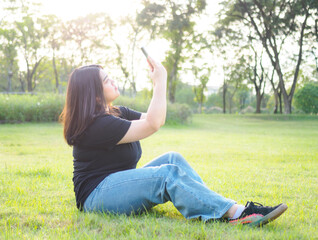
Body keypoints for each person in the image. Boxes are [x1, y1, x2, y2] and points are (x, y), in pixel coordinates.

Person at [60, 56, 287, 227]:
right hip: (95, 197)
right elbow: (153, 124)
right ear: (95, 94)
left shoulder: (116, 112)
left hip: (112, 186)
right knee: (166, 174)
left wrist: (159, 82)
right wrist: (160, 82)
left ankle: (218, 209)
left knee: (172, 158)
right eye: (107, 80)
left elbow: (155, 117)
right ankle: (236, 213)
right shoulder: (97, 125)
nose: (113, 81)